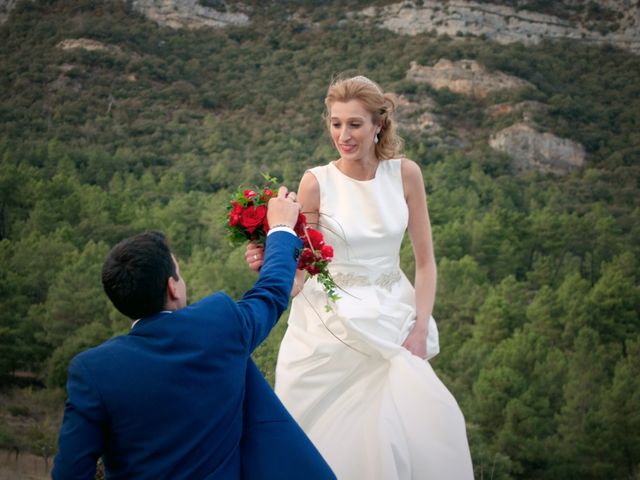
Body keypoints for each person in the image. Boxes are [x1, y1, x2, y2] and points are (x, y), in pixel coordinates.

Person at [246, 76, 474, 479]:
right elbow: (304, 270)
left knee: (416, 431)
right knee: (319, 442)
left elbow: (425, 263)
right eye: (336, 123)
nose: (343, 135)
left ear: (378, 124)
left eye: (354, 124)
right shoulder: (316, 181)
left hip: (392, 323)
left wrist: (420, 329)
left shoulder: (405, 175)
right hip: (328, 326)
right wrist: (272, 265)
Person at [52, 187, 336, 479]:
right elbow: (270, 295)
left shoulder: (92, 371)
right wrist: (280, 228)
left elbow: (69, 472)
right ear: (172, 287)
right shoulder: (218, 326)